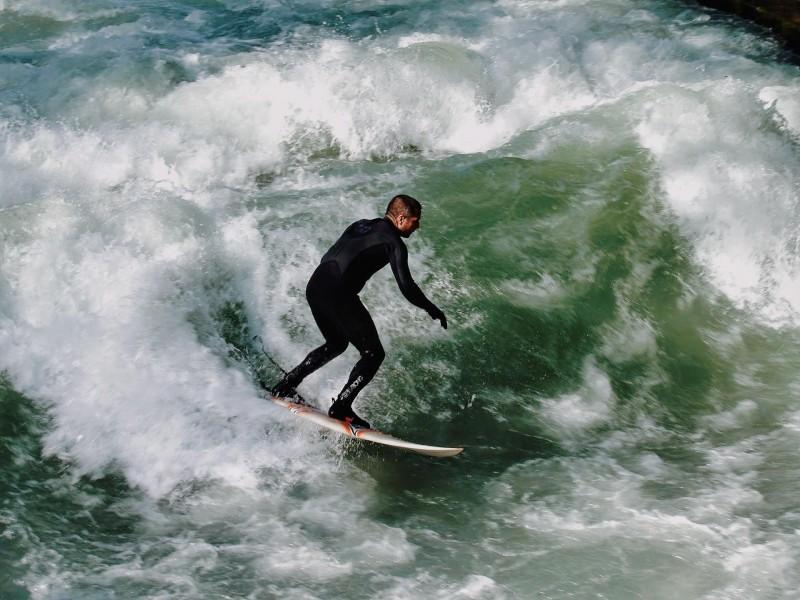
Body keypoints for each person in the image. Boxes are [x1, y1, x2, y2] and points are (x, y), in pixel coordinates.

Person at [270, 194, 447, 429]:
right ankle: (341, 406)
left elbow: (329, 256)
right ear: (402, 218)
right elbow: (406, 286)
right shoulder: (393, 242)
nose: (418, 226)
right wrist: (431, 309)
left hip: (315, 285)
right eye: (415, 221)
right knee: (373, 354)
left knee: (336, 343)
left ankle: (286, 385)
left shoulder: (360, 225)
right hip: (338, 292)